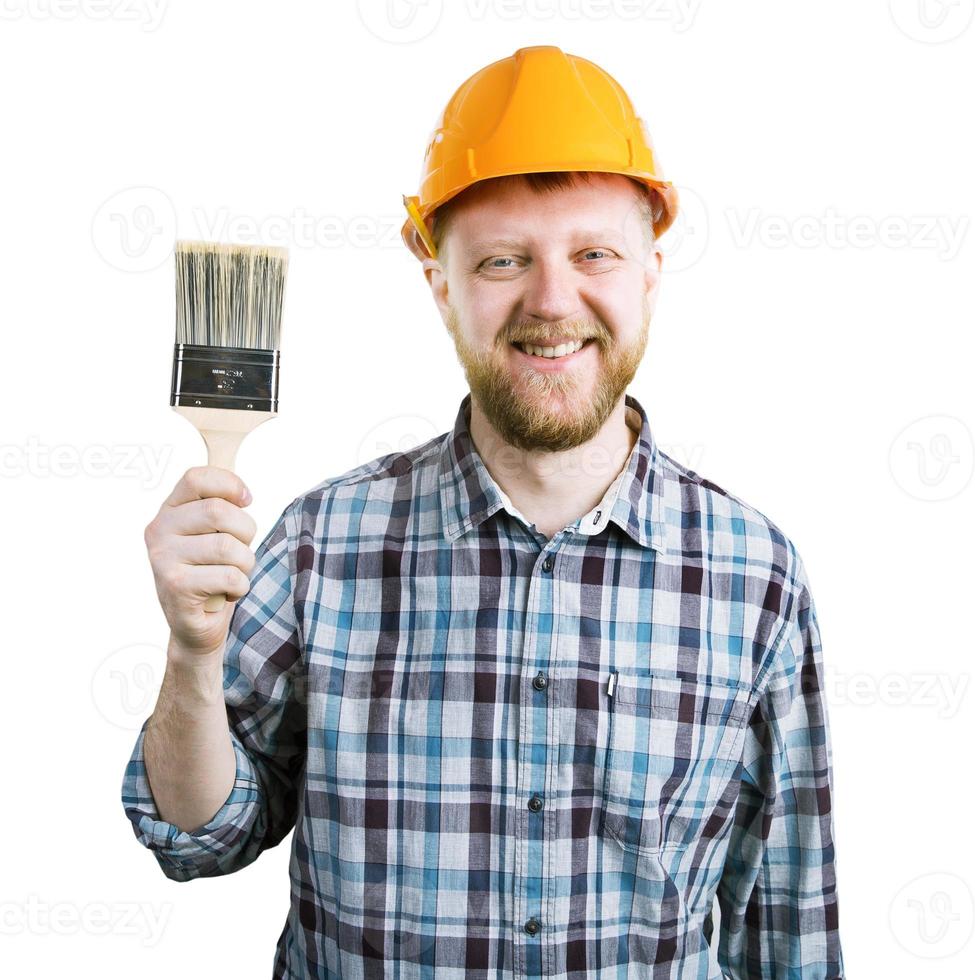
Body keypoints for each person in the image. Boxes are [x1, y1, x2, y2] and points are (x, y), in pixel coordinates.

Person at [122, 45, 845, 978]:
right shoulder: (318, 546)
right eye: (504, 260)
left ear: (650, 274)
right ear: (441, 286)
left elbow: (788, 930)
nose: (553, 300)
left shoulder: (758, 578)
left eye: (594, 253)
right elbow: (198, 835)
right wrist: (190, 652)